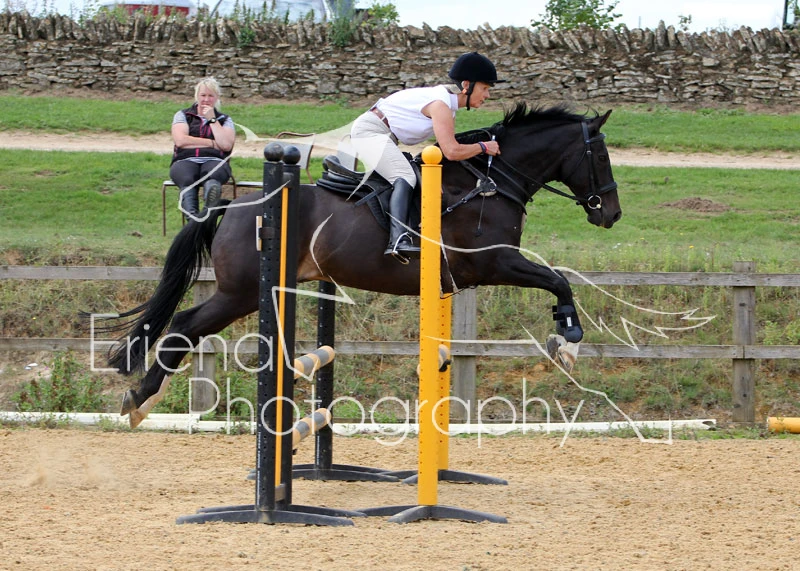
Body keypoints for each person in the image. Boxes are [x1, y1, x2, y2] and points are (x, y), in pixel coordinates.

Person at [350, 51, 503, 263]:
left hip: (382, 135)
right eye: (484, 88)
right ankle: (398, 240)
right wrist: (483, 147)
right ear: (466, 85)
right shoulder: (440, 105)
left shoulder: (446, 105)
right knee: (405, 176)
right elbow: (452, 151)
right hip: (370, 132)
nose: (487, 95)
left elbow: (444, 148)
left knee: (418, 178)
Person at [170, 77, 236, 219]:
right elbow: (181, 140)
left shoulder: (224, 119)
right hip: (185, 159)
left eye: (210, 96)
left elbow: (226, 145)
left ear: (217, 98)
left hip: (215, 160)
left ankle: (208, 215)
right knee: (187, 179)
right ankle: (193, 221)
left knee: (213, 177)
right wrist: (212, 143)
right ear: (197, 96)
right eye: (203, 95)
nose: (206, 100)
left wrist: (212, 120)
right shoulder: (183, 115)